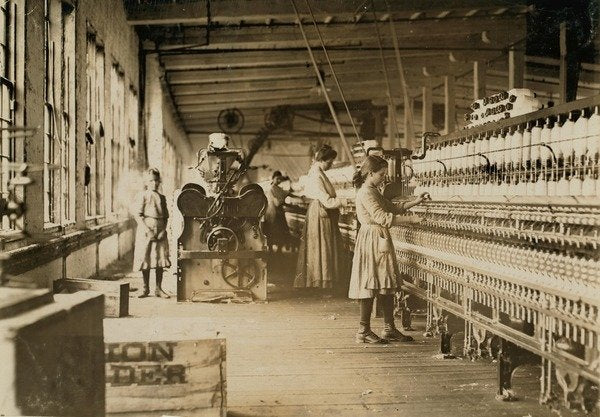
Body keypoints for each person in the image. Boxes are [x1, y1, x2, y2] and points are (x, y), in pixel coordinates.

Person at [349, 155, 429, 343]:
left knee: (386, 283)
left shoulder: (373, 190)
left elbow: (391, 207)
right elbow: (383, 217)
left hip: (379, 238)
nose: (384, 177)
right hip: (373, 239)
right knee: (371, 283)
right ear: (370, 173)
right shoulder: (366, 192)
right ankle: (363, 331)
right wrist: (412, 219)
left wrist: (415, 202)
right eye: (381, 174)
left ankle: (389, 328)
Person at [294, 144, 347, 292]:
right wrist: (344, 202)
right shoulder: (317, 175)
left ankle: (324, 282)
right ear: (323, 160)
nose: (331, 165)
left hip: (319, 211)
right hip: (320, 213)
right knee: (323, 248)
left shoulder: (317, 172)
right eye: (329, 162)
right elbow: (327, 201)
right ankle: (323, 283)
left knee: (322, 248)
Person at [133, 168, 171, 299]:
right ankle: (145, 288)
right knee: (146, 259)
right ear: (146, 182)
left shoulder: (162, 197)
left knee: (159, 259)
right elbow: (138, 215)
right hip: (146, 232)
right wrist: (147, 231)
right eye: (151, 180)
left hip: (160, 232)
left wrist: (163, 231)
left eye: (156, 180)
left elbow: (166, 217)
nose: (154, 183)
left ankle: (158, 288)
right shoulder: (142, 196)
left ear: (159, 181)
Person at [263, 171, 301, 252]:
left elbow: (288, 193)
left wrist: (300, 197)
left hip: (279, 213)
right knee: (272, 232)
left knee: (281, 232)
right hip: (272, 214)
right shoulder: (271, 189)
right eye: (277, 179)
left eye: (280, 179)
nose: (279, 181)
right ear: (273, 178)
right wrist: (284, 200)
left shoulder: (279, 189)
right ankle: (271, 251)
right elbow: (277, 203)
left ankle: (279, 251)